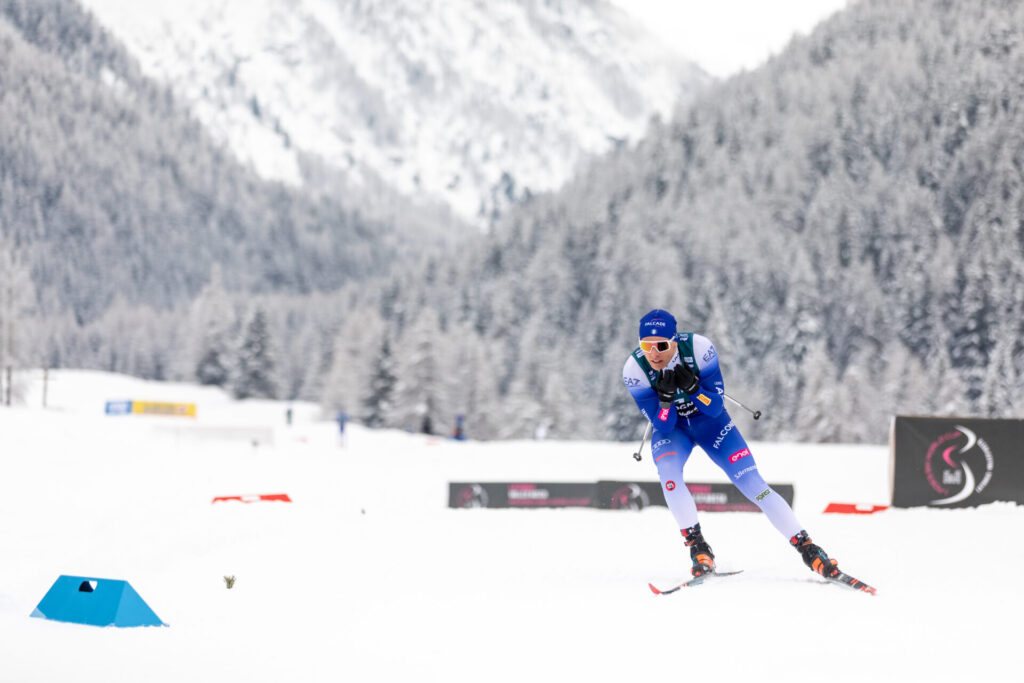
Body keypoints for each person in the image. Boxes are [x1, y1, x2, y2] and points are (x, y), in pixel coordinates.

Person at [622, 309, 840, 580]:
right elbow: (663, 425)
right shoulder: (635, 370)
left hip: (710, 425)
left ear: (675, 341)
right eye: (646, 346)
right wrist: (665, 401)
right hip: (674, 431)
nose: (653, 354)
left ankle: (808, 548)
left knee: (754, 485)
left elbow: (715, 407)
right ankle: (698, 548)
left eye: (662, 345)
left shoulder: (699, 349)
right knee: (669, 476)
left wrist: (694, 390)